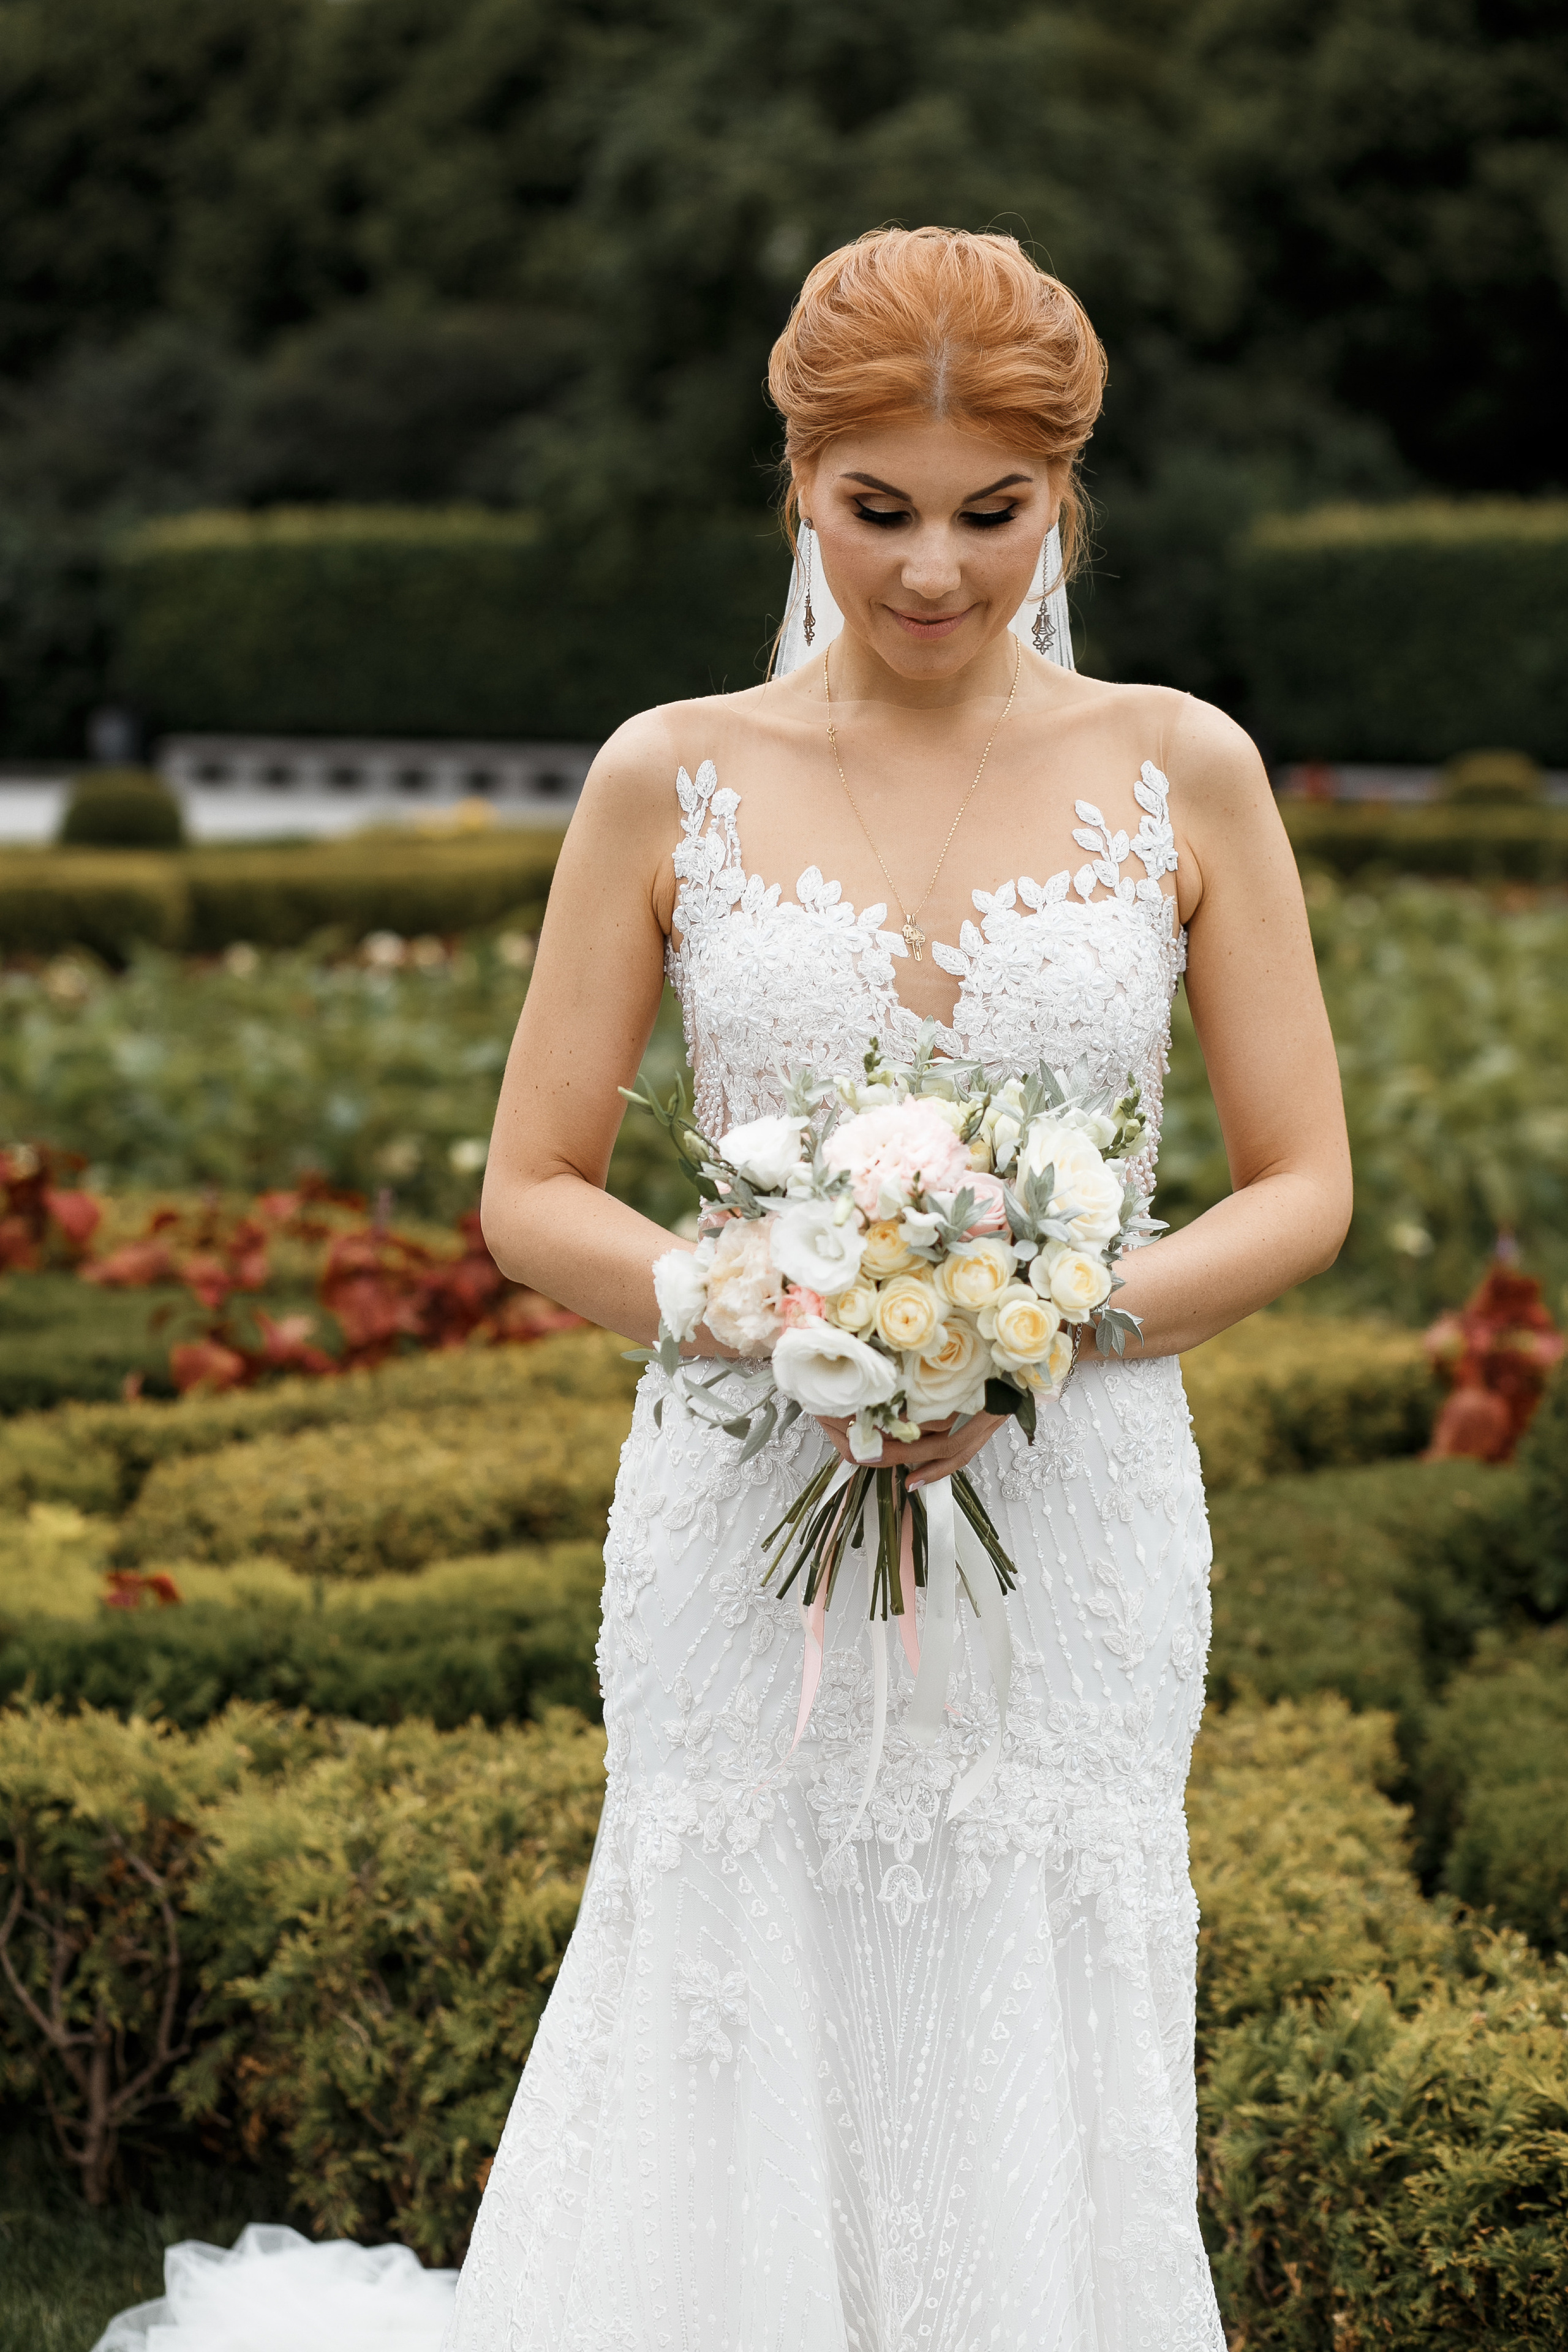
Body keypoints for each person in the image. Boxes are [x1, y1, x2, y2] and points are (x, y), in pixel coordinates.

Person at [94, 226, 1351, 2352]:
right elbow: (530, 1190)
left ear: (1067, 498)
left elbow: (1305, 1183)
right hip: (733, 1512)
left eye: (992, 514)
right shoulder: (667, 773)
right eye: (881, 513)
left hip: (1080, 1530)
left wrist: (1053, 1330)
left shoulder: (1185, 767)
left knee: (1045, 1974)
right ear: (795, 486)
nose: (936, 570)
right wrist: (763, 1305)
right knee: (733, 1964)